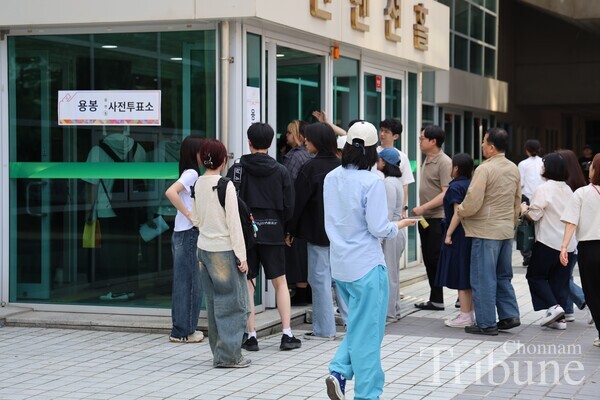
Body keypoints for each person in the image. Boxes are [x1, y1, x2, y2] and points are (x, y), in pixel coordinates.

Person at [323, 121, 417, 400]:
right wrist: (398, 226)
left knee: (360, 326)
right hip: (367, 264)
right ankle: (366, 393)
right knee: (370, 333)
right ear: (374, 149)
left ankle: (339, 371)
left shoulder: (331, 177)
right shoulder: (372, 182)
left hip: (340, 265)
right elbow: (378, 227)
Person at [228, 122, 301, 352]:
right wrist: (287, 229)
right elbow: (290, 205)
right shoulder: (281, 170)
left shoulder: (238, 169)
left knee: (249, 285)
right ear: (270, 144)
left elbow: (229, 202)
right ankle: (287, 334)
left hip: (246, 234)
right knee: (280, 282)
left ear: (249, 142)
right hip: (273, 231)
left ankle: (251, 336)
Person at [190, 139, 250, 368]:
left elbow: (195, 218)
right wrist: (242, 257)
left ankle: (220, 352)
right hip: (223, 251)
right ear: (224, 160)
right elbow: (234, 223)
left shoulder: (197, 183)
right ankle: (229, 357)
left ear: (201, 159)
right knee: (233, 305)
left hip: (203, 250)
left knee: (215, 305)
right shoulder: (226, 185)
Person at [457, 128, 521, 336]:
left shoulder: (484, 169)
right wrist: (510, 223)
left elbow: (474, 199)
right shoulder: (513, 168)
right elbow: (517, 200)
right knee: (503, 275)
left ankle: (485, 323)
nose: (482, 145)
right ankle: (509, 315)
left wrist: (461, 211)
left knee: (483, 276)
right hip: (505, 229)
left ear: (491, 147)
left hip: (485, 230)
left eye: (484, 142)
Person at [287, 122, 344, 339]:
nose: (306, 142)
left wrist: (290, 229)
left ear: (317, 141)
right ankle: (350, 324)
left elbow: (298, 203)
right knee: (341, 280)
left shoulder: (310, 168)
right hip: (340, 234)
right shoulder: (341, 166)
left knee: (319, 280)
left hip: (318, 233)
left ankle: (324, 329)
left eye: (308, 139)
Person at [521, 152, 576, 331]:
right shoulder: (568, 189)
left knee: (535, 276)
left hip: (547, 242)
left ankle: (554, 309)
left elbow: (534, 214)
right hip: (568, 244)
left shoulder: (543, 189)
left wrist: (523, 209)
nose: (541, 167)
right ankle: (559, 319)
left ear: (549, 168)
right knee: (558, 281)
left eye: (543, 164)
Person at [164, 136, 204, 343]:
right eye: (201, 151)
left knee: (182, 281)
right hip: (188, 232)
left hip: (181, 232)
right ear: (194, 153)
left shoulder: (188, 172)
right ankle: (185, 331)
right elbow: (170, 192)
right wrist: (191, 215)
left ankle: (180, 329)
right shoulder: (192, 173)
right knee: (191, 283)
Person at [560, 153, 600, 347]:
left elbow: (571, 222)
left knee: (592, 292)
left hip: (589, 249)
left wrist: (564, 247)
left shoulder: (582, 193)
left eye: (592, 166)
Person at [412, 125, 452, 311]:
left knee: (436, 259)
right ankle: (435, 299)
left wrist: (423, 207)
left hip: (438, 218)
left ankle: (442, 298)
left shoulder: (444, 162)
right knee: (429, 259)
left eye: (422, 138)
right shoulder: (427, 159)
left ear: (433, 141)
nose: (420, 141)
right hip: (426, 219)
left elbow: (446, 193)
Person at [436, 153, 474, 328]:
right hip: (471, 233)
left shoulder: (455, 187)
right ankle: (469, 313)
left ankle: (465, 315)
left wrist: (449, 234)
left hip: (458, 234)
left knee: (460, 274)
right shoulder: (471, 184)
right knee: (467, 272)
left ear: (456, 168)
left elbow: (457, 212)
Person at [557, 149, 592, 324]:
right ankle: (568, 309)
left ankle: (585, 302)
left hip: (571, 239)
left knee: (561, 276)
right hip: (579, 240)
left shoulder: (568, 188)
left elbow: (570, 220)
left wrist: (564, 245)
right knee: (566, 276)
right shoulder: (581, 185)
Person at [281, 120, 312, 305]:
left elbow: (287, 185)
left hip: (296, 211)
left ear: (299, 135)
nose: (287, 136)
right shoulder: (312, 155)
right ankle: (306, 289)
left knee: (296, 252)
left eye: (290, 133)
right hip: (311, 211)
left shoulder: (294, 157)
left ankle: (300, 291)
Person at [376, 147, 407, 322]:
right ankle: (394, 309)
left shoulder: (388, 183)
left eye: (379, 160)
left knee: (389, 274)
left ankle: (389, 313)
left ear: (385, 163)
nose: (377, 162)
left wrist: (379, 237)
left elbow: (386, 214)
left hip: (391, 232)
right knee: (393, 273)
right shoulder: (396, 180)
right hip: (397, 231)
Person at [377, 119, 415, 218]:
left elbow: (404, 185)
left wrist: (403, 209)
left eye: (386, 132)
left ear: (396, 136)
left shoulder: (402, 157)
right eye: (381, 130)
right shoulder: (373, 153)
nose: (382, 134)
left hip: (393, 206)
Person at [517, 139, 544, 266]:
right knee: (540, 226)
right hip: (541, 197)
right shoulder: (543, 162)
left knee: (525, 226)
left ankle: (527, 253)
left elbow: (521, 183)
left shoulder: (523, 164)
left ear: (526, 150)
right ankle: (538, 252)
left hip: (527, 197)